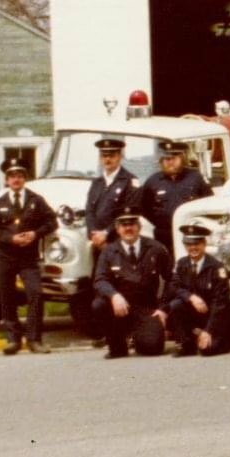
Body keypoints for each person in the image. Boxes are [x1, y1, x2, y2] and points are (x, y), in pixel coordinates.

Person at [0, 159, 57, 355]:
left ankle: (35, 340)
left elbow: (52, 222)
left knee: (36, 294)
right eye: (11, 176)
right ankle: (12, 340)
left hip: (28, 257)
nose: (16, 180)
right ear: (6, 180)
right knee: (7, 297)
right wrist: (10, 238)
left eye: (19, 176)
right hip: (5, 256)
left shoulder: (36, 200)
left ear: (25, 178)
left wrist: (36, 234)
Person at [91, 210, 171, 359]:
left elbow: (172, 280)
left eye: (132, 224)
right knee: (99, 305)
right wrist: (114, 295)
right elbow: (100, 280)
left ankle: (138, 337)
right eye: (123, 225)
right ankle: (117, 347)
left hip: (146, 306)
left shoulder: (155, 248)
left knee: (152, 348)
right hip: (119, 307)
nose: (128, 228)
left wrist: (163, 308)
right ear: (117, 229)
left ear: (139, 226)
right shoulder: (109, 251)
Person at [81, 137, 139, 342]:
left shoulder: (129, 181)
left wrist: (107, 233)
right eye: (104, 155)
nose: (108, 159)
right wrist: (93, 234)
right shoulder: (96, 183)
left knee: (124, 287)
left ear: (120, 156)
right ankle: (108, 332)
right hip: (99, 245)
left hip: (118, 244)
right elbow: (89, 211)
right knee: (101, 286)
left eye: (112, 155)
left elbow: (128, 214)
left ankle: (128, 331)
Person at [167, 223, 230, 357]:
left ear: (204, 244)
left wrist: (209, 330)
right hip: (194, 316)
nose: (193, 248)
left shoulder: (216, 267)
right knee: (176, 305)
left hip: (213, 318)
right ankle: (186, 344)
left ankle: (215, 339)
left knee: (207, 350)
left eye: (197, 243)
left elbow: (220, 302)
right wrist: (191, 297)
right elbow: (174, 286)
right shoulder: (182, 264)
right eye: (189, 244)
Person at [139, 140, 213, 249]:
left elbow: (209, 204)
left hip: (190, 235)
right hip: (164, 236)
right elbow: (145, 209)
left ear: (182, 158)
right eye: (166, 159)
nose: (170, 162)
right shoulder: (153, 181)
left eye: (174, 158)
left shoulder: (195, 178)